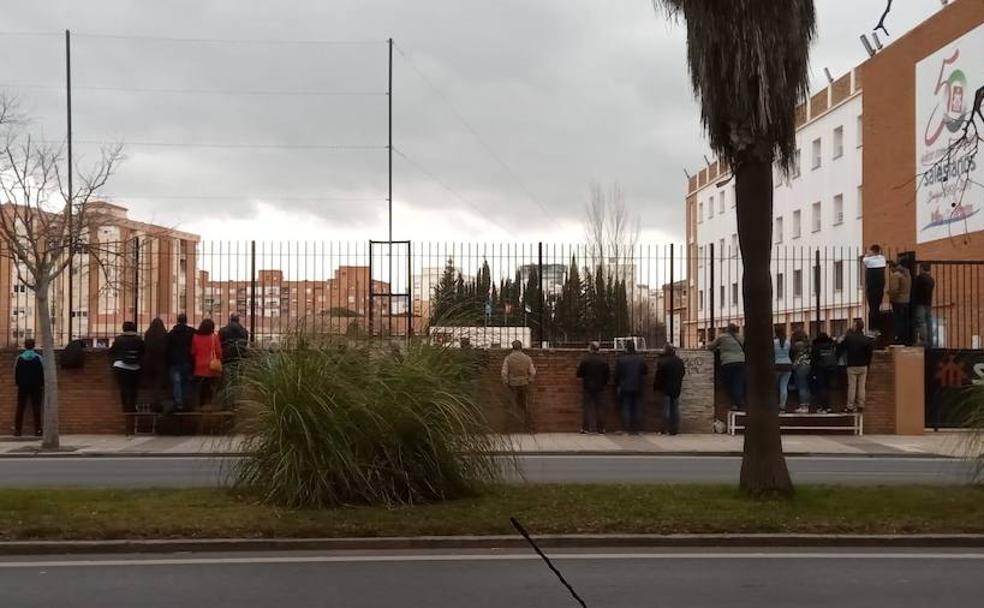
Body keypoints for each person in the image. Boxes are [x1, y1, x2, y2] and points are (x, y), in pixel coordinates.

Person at [837, 319, 875, 413]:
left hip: (852, 365)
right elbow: (870, 354)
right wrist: (867, 364)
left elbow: (841, 348)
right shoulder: (866, 339)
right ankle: (861, 405)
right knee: (862, 387)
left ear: (856, 326)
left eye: (854, 325)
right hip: (863, 365)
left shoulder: (849, 338)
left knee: (852, 387)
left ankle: (850, 406)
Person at [109, 321, 145, 413]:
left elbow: (111, 352)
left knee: (123, 387)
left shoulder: (119, 339)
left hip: (120, 366)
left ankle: (125, 407)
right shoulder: (139, 339)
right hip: (135, 367)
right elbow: (143, 352)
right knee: (133, 388)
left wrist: (113, 362)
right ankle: (132, 407)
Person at [501, 340, 536, 432]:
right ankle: (530, 428)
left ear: (512, 347)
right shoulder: (527, 358)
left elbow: (504, 372)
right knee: (526, 406)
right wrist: (529, 380)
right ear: (521, 347)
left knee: (510, 406)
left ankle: (507, 429)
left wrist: (506, 382)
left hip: (512, 384)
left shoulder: (508, 358)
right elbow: (532, 372)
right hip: (524, 384)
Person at [614, 341, 648, 434]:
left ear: (626, 348)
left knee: (626, 407)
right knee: (637, 408)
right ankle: (636, 429)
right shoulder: (640, 359)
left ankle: (626, 429)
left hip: (625, 386)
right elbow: (645, 372)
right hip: (637, 386)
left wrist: (618, 384)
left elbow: (616, 374)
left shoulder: (621, 359)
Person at [709, 323, 745, 411]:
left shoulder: (722, 337)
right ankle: (739, 402)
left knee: (728, 383)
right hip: (741, 361)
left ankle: (733, 403)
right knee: (738, 382)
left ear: (727, 329)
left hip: (728, 362)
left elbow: (711, 346)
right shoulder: (741, 337)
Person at [576, 342, 609, 434]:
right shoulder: (603, 361)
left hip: (587, 386)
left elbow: (579, 374)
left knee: (587, 407)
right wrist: (603, 383)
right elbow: (607, 376)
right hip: (600, 387)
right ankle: (601, 428)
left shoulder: (585, 360)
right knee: (600, 408)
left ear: (590, 348)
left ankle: (586, 428)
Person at [13, 339, 44, 437]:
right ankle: (38, 430)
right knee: (36, 407)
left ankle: (17, 430)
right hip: (36, 386)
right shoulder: (38, 358)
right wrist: (41, 384)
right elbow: (42, 372)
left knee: (20, 407)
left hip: (23, 386)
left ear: (24, 346)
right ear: (34, 346)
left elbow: (16, 372)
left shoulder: (20, 358)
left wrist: (18, 383)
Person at [191, 318, 223, 410]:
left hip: (199, 366)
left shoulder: (195, 337)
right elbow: (219, 352)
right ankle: (209, 405)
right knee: (210, 387)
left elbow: (193, 351)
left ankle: (201, 405)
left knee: (201, 388)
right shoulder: (214, 337)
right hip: (211, 366)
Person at [653, 344, 686, 435]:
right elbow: (682, 373)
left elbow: (659, 376)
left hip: (665, 388)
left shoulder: (663, 361)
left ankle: (663, 429)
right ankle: (674, 430)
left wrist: (656, 387)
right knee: (675, 410)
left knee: (665, 410)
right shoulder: (679, 361)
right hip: (676, 388)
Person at [165, 313, 196, 412]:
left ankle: (179, 404)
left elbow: (167, 349)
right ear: (186, 320)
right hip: (188, 361)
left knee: (176, 383)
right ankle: (187, 402)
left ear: (177, 320)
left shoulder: (171, 333)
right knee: (187, 382)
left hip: (175, 362)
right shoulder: (192, 332)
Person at [142, 318, 169, 407]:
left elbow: (145, 347)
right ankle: (157, 402)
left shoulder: (148, 334)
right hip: (161, 362)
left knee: (150, 384)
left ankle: (150, 401)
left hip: (148, 362)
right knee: (159, 383)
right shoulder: (164, 335)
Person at [810, 332, 837, 413]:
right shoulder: (831, 346)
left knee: (821, 388)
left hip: (820, 369)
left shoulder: (816, 347)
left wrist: (813, 372)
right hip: (831, 369)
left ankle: (822, 407)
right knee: (828, 388)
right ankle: (828, 406)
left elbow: (814, 360)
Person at [863, 244, 887, 333]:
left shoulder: (869, 260)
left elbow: (864, 259)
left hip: (871, 287)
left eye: (870, 251)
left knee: (872, 308)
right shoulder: (882, 259)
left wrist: (868, 255)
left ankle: (872, 328)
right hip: (880, 287)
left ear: (873, 251)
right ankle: (877, 327)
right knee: (876, 307)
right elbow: (880, 255)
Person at [887, 261, 912, 345]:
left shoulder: (895, 275)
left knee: (898, 320)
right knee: (905, 320)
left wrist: (890, 294)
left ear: (892, 267)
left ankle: (898, 338)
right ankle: (906, 339)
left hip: (898, 301)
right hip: (906, 301)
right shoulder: (907, 274)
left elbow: (894, 290)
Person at [912, 263, 935, 347]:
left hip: (919, 303)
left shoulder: (919, 278)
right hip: (928, 303)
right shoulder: (931, 279)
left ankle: (923, 340)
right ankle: (930, 341)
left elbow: (914, 291)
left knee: (920, 322)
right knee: (928, 321)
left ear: (921, 268)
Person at [790, 329, 812, 413]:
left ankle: (803, 405)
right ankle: (807, 404)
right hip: (808, 365)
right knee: (806, 385)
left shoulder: (795, 345)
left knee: (802, 386)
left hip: (799, 366)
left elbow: (792, 355)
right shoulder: (808, 344)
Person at [774, 327, 793, 413]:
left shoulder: (774, 343)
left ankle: (774, 403)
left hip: (777, 365)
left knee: (775, 386)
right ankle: (782, 406)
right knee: (784, 386)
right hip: (787, 364)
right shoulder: (788, 342)